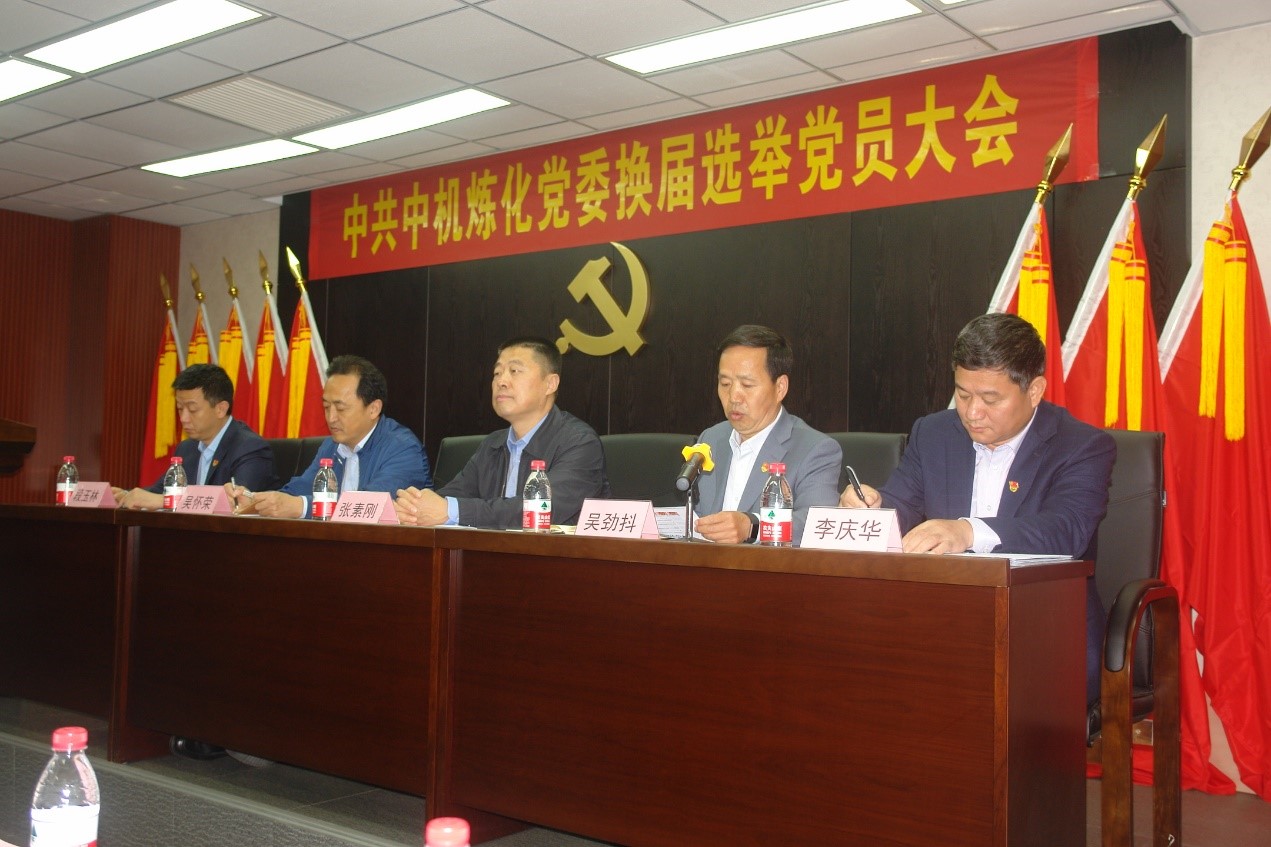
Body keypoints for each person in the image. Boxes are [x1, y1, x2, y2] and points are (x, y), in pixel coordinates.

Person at [839, 312, 1115, 704]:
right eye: (963, 395)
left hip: (1042, 630)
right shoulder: (934, 432)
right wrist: (873, 508)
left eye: (990, 399)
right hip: (940, 622)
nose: (972, 412)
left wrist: (968, 531)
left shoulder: (1081, 446)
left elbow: (1066, 530)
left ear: (1035, 391)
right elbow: (901, 505)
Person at [396, 336, 609, 528]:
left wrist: (452, 511)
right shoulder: (493, 444)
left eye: (514, 371)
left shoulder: (579, 442)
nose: (501, 381)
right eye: (497, 373)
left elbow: (540, 510)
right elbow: (451, 497)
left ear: (550, 384)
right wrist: (414, 507)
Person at [227, 355, 431, 518]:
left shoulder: (403, 449)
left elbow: (369, 506)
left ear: (373, 409)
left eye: (340, 408)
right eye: (326, 407)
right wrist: (255, 502)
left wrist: (301, 507)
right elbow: (299, 489)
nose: (331, 418)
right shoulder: (331, 446)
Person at [692, 324, 841, 544]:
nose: (733, 397)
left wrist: (753, 527)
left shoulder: (816, 449)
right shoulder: (711, 439)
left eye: (747, 385)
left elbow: (817, 523)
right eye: (725, 383)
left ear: (780, 388)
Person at [113, 363, 274, 510]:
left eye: (192, 409)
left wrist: (165, 501)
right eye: (180, 408)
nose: (183, 418)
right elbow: (159, 491)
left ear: (221, 409)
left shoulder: (250, 448)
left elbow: (237, 503)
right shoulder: (187, 448)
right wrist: (125, 495)